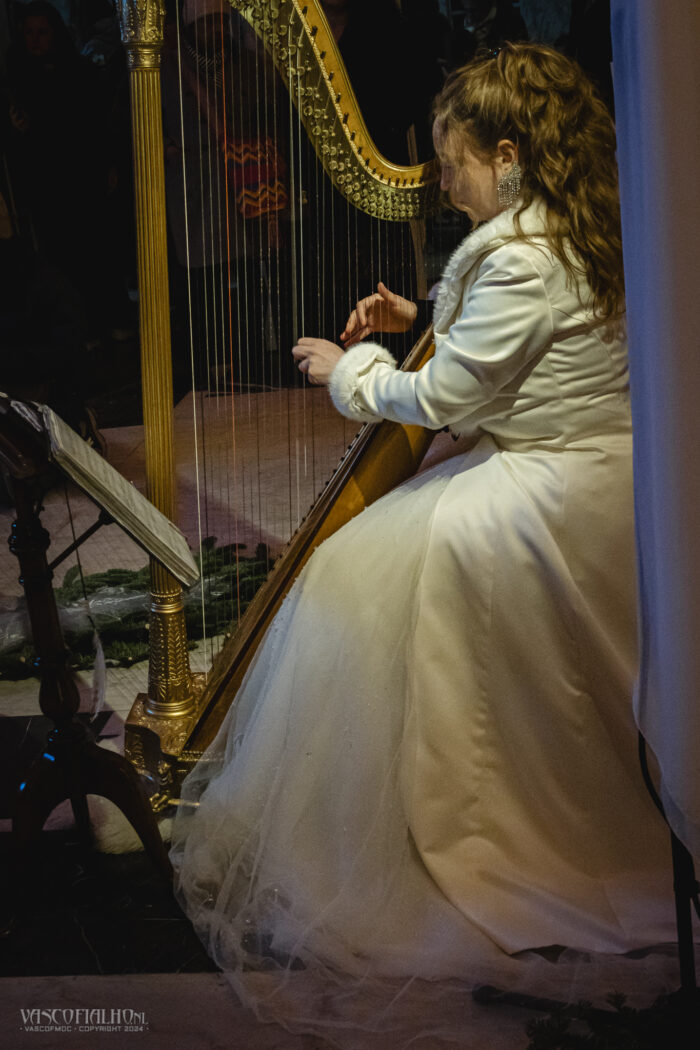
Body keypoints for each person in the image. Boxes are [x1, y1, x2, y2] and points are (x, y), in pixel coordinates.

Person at [171, 43, 676, 1045]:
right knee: (376, 557)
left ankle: (435, 831)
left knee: (349, 572)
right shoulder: (581, 223)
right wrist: (422, 313)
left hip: (553, 491)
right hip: (601, 475)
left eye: (451, 165)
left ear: (508, 157)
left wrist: (348, 369)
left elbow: (443, 400)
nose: (441, 186)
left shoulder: (518, 256)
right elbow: (519, 342)